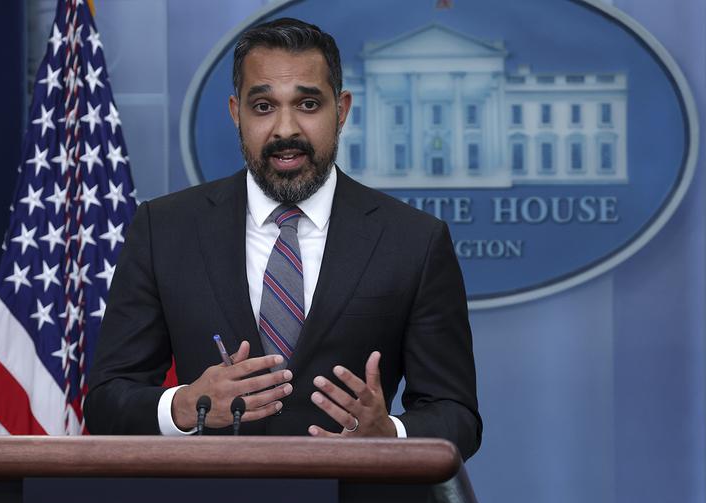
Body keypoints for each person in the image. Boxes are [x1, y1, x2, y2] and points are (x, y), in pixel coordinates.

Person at [85, 17, 482, 460]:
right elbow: (106, 400)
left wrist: (390, 435)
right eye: (263, 107)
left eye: (308, 104)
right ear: (236, 113)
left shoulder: (413, 241)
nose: (286, 130)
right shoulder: (165, 228)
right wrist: (186, 406)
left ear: (342, 109)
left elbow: (456, 415)